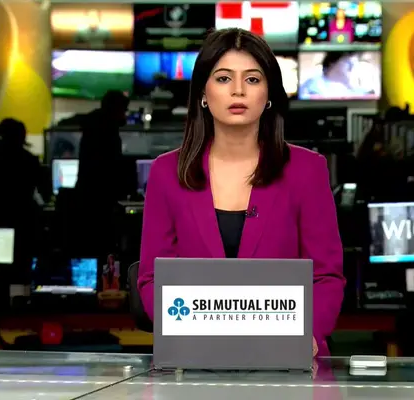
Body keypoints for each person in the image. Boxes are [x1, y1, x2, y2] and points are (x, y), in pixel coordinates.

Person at [137, 28, 346, 357]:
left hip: (288, 359)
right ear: (203, 92)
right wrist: (186, 333)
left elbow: (326, 276)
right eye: (223, 79)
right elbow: (152, 278)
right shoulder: (167, 173)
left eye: (252, 79)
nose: (238, 90)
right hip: (195, 359)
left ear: (269, 93)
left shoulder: (307, 170)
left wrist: (307, 335)